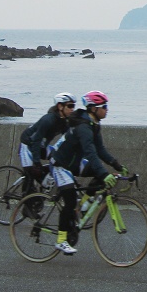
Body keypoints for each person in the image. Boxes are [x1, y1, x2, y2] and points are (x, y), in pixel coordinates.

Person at [47, 90, 126, 254]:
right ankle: (61, 240)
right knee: (69, 201)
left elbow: (100, 150)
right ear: (93, 109)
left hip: (73, 163)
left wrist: (116, 165)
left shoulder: (94, 125)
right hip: (60, 164)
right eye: (104, 106)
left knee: (99, 175)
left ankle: (82, 207)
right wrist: (105, 174)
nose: (107, 109)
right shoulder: (84, 128)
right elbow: (91, 153)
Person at [17, 92, 75, 202]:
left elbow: (68, 139)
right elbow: (36, 141)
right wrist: (37, 162)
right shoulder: (48, 120)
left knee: (55, 159)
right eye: (70, 106)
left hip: (41, 145)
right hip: (28, 144)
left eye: (74, 106)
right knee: (31, 173)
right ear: (60, 106)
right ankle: (27, 205)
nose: (72, 109)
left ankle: (41, 187)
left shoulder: (63, 121)